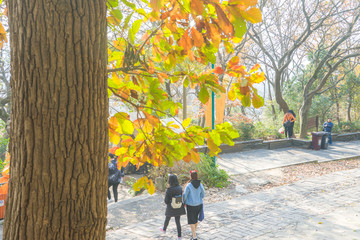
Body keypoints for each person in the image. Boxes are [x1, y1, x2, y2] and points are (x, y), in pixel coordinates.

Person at [160, 174, 186, 240]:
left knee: (167, 218)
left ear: (170, 181)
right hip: (178, 206)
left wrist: (169, 202)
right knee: (178, 222)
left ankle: (164, 229)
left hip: (171, 207)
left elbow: (166, 201)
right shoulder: (180, 188)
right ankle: (179, 236)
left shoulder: (169, 190)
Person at [183, 170, 205, 240]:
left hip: (190, 205)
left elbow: (184, 195)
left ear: (191, 177)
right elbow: (203, 194)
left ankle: (194, 236)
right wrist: (199, 198)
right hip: (199, 204)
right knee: (195, 220)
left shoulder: (189, 185)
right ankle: (194, 234)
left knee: (191, 221)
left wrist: (184, 201)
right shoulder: (200, 184)